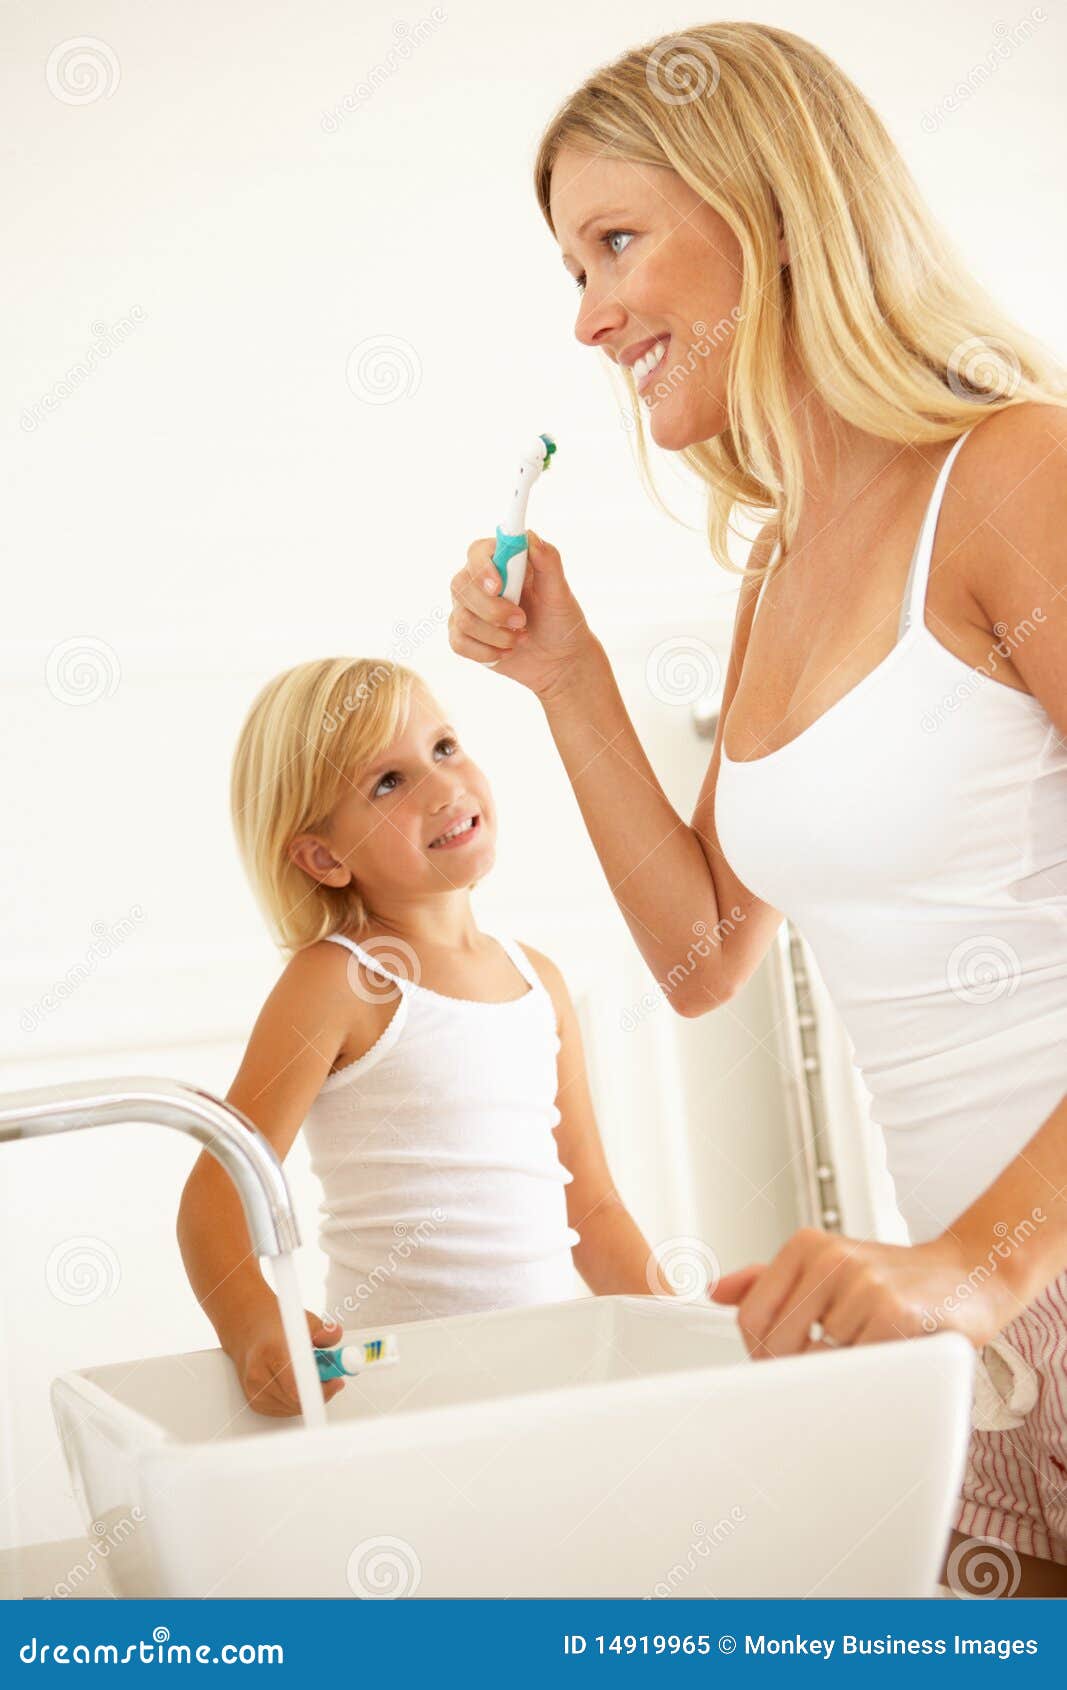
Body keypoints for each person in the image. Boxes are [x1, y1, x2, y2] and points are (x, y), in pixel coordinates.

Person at [448, 22, 1067, 1594]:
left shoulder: (1015, 478)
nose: (587, 318)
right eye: (567, 269)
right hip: (980, 1316)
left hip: (999, 1266)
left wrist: (971, 1265)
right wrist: (567, 677)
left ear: (769, 210)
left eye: (613, 244)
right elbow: (705, 955)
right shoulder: (776, 566)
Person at [177, 656, 667, 1420]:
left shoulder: (537, 980)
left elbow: (593, 1209)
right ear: (323, 857)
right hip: (400, 1392)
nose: (443, 787)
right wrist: (253, 1326)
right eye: (387, 782)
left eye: (443, 748)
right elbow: (215, 1193)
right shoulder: (337, 982)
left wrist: (685, 1332)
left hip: (551, 1377)